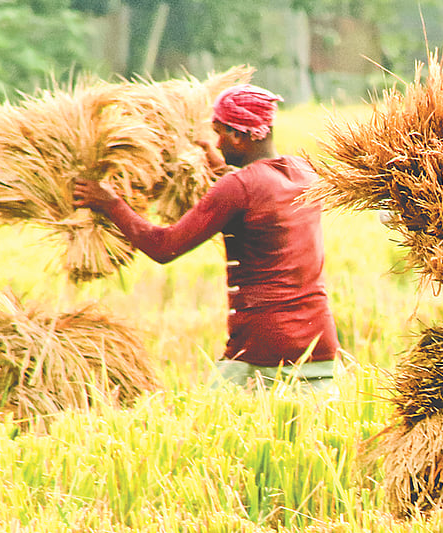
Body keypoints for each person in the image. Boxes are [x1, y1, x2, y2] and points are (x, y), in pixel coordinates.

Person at [72, 83, 341, 392]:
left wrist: (110, 204)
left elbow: (164, 247)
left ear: (239, 136)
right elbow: (260, 200)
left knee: (211, 427)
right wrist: (222, 170)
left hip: (263, 349)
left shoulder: (238, 187)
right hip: (319, 341)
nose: (217, 142)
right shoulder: (304, 171)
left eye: (220, 134)